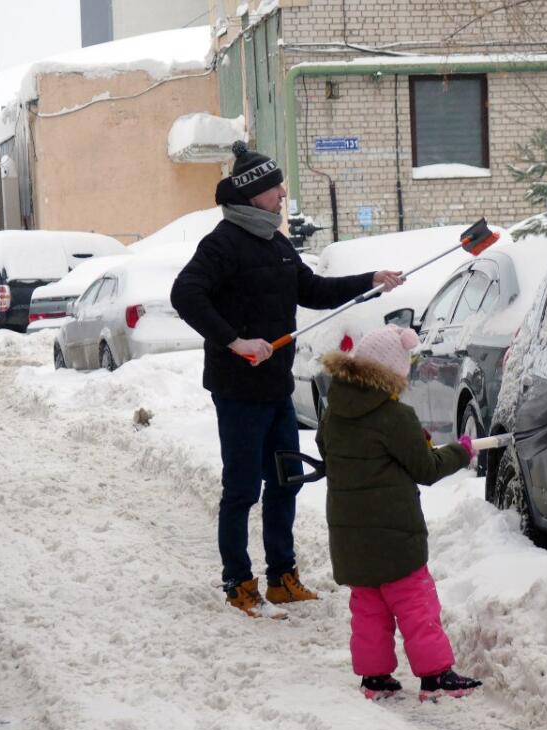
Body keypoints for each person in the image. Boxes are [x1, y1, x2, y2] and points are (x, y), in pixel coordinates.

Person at [172, 141, 404, 618]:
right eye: (274, 187)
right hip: (238, 390)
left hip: (277, 387)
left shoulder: (276, 244)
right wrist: (235, 341)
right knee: (242, 488)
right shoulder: (222, 244)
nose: (283, 194)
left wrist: (370, 279)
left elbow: (313, 290)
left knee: (285, 481)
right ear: (253, 194)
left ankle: (282, 576)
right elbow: (186, 295)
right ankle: (238, 579)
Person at [316, 325, 483, 701]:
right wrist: (461, 451)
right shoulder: (394, 415)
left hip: (350, 537)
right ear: (393, 372)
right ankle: (436, 675)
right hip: (394, 535)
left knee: (369, 608)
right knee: (415, 604)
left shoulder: (335, 412)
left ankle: (375, 678)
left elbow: (327, 448)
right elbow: (426, 468)